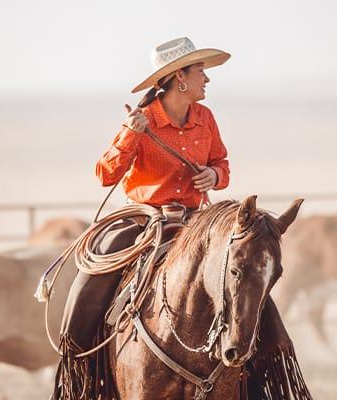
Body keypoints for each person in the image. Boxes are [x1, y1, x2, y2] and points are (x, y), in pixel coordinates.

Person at [59, 36, 231, 352]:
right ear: (180, 76)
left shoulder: (205, 117)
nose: (206, 78)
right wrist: (130, 134)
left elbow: (221, 162)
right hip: (145, 221)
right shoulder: (143, 119)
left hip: (196, 220)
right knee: (93, 276)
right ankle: (75, 356)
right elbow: (105, 174)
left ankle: (264, 366)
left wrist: (215, 175)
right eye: (200, 71)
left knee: (244, 270)